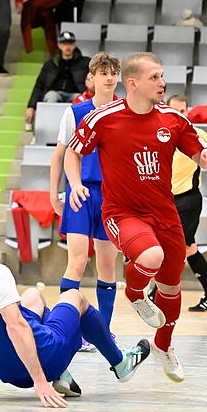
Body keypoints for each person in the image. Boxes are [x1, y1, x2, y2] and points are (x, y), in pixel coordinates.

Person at [65, 52, 207, 382]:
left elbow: (197, 151)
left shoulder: (173, 120)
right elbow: (72, 152)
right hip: (122, 212)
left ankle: (163, 346)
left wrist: (206, 157)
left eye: (163, 77)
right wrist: (76, 184)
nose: (163, 83)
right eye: (155, 78)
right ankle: (135, 294)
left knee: (171, 286)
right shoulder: (103, 118)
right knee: (151, 255)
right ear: (132, 83)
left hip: (165, 214)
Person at [0, 212, 150, 408]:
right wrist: (40, 382)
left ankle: (63, 378)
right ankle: (120, 363)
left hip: (7, 373)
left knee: (33, 296)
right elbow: (16, 326)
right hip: (44, 361)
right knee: (74, 297)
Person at [50, 52, 121, 352]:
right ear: (91, 77)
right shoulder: (75, 112)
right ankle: (66, 330)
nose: (108, 77)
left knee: (107, 265)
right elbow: (61, 155)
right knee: (77, 262)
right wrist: (54, 193)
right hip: (80, 195)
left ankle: (102, 332)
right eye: (103, 72)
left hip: (113, 197)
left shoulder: (125, 112)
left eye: (113, 72)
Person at [166, 94, 207, 312]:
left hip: (187, 200)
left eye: (183, 111)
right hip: (164, 201)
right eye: (174, 110)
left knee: (175, 249)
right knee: (189, 249)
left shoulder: (197, 134)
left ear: (187, 112)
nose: (179, 115)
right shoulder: (159, 134)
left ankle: (158, 295)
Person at [26, 30, 90, 128]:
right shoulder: (50, 64)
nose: (67, 47)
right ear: (59, 45)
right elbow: (39, 85)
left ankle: (78, 133)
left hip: (76, 93)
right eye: (64, 43)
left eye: (70, 43)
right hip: (55, 93)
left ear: (74, 45)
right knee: (51, 96)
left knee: (80, 99)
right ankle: (48, 129)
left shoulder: (85, 63)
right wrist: (31, 106)